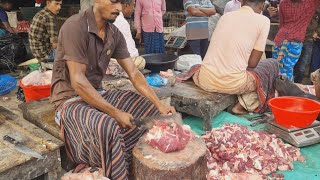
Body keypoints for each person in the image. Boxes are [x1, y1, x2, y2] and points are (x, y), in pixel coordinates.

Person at [50, 0, 175, 179]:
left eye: (122, 3)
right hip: (69, 101)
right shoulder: (75, 27)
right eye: (114, 1)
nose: (118, 8)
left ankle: (137, 163)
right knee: (108, 125)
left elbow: (133, 72)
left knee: (147, 108)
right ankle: (117, 173)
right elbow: (78, 81)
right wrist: (115, 113)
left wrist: (159, 104)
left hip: (97, 94)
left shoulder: (113, 33)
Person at [193, 0, 279, 115]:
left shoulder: (225, 17)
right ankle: (242, 105)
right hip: (232, 84)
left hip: (204, 80)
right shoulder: (264, 21)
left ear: (242, 2)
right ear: (262, 6)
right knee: (272, 64)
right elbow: (252, 64)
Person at [272, 0, 320, 81]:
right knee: (287, 71)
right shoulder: (311, 3)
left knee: (277, 69)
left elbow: (281, 24)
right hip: (294, 43)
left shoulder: (283, 3)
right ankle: (286, 91)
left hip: (280, 40)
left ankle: (277, 90)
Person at [294, 12, 320, 83]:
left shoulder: (316, 7)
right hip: (295, 38)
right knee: (290, 65)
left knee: (302, 68)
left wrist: (317, 32)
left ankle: (297, 85)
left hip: (309, 39)